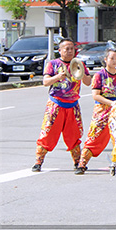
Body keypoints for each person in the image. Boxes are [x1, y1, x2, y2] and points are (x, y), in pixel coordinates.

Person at [33, 38, 92, 172]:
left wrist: (81, 73)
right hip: (56, 105)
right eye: (67, 48)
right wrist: (58, 77)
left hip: (73, 105)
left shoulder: (79, 63)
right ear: (60, 50)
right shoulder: (53, 64)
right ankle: (38, 161)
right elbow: (45, 82)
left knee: (73, 135)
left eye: (72, 48)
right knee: (48, 133)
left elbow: (88, 82)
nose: (70, 51)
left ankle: (78, 162)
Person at [76, 48, 116, 174]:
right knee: (95, 136)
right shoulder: (99, 75)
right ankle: (82, 163)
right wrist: (111, 103)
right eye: (111, 58)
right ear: (105, 59)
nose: (114, 61)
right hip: (103, 109)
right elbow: (96, 95)